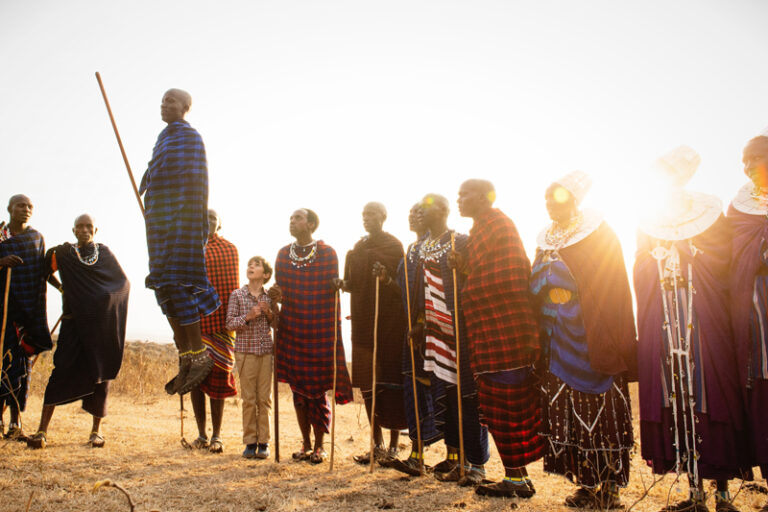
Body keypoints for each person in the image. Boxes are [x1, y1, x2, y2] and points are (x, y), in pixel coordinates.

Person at [636, 146, 748, 512]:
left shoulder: (710, 212)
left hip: (704, 317)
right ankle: (694, 493)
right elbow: (639, 264)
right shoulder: (649, 217)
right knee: (679, 398)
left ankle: (722, 494)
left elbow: (726, 260)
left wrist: (690, 255)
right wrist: (657, 263)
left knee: (712, 395)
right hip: (665, 320)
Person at [530, 172, 636, 508]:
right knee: (569, 410)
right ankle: (586, 485)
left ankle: (610, 489)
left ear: (575, 200)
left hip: (594, 334)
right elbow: (534, 279)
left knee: (601, 411)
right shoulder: (546, 239)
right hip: (559, 336)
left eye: (556, 196)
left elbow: (609, 282)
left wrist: (566, 282)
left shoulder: (599, 235)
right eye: (546, 197)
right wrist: (547, 281)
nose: (549, 202)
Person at [454, 179, 544, 498]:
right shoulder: (480, 229)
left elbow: (510, 274)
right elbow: (480, 270)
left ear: (485, 197)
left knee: (509, 407)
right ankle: (516, 477)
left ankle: (517, 481)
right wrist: (463, 268)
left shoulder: (499, 224)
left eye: (465, 194)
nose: (459, 199)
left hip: (507, 332)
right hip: (489, 334)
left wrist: (469, 285)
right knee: (496, 407)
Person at [139, 88, 219, 396]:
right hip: (159, 223)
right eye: (161, 100)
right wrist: (144, 184)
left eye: (170, 100)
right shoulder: (164, 137)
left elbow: (194, 182)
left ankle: (199, 354)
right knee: (161, 283)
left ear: (185, 107)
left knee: (178, 281)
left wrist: (180, 216)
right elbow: (155, 167)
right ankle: (186, 356)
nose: (164, 104)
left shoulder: (189, 137)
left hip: (182, 220)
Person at [27, 214, 130, 449]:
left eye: (88, 227)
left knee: (100, 376)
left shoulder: (104, 254)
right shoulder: (63, 254)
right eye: (80, 227)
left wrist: (105, 301)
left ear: (96, 229)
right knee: (60, 369)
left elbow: (123, 284)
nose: (84, 230)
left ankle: (96, 432)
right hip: (73, 323)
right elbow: (44, 272)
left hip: (101, 326)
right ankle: (42, 430)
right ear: (73, 230)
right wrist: (63, 288)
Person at [411, 194, 490, 486]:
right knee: (444, 395)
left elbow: (478, 279)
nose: (421, 213)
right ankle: (456, 459)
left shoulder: (462, 241)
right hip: (434, 333)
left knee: (468, 396)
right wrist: (420, 323)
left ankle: (477, 465)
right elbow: (419, 291)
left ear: (443, 211)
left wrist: (464, 267)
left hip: (461, 329)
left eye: (427, 208)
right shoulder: (421, 249)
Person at [274, 208, 352, 464]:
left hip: (319, 329)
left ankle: (320, 446)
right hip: (293, 328)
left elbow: (332, 289)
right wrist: (276, 297)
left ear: (310, 224)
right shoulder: (284, 255)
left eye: (296, 218)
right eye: (290, 218)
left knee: (317, 391)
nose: (291, 222)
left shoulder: (328, 254)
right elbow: (282, 292)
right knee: (298, 391)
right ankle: (305, 444)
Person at [334, 202, 407, 464]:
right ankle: (377, 444)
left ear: (384, 217)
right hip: (364, 324)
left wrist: (386, 277)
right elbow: (353, 283)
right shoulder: (357, 248)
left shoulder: (394, 246)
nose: (367, 218)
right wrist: (342, 284)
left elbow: (403, 284)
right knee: (368, 387)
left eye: (372, 214)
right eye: (364, 214)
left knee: (392, 383)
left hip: (390, 324)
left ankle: (395, 446)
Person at [388, 203, 445, 476]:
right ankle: (416, 455)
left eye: (419, 212)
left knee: (442, 391)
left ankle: (458, 457)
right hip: (411, 330)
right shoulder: (410, 251)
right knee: (413, 392)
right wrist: (386, 279)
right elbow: (404, 289)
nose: (413, 216)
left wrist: (423, 323)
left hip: (437, 331)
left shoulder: (439, 247)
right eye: (411, 212)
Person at [728, 129, 768, 512]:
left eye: (755, 158)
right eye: (744, 160)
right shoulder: (739, 209)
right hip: (755, 322)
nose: (747, 167)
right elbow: (730, 258)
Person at [0, 194, 52, 439]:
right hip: (2, 313)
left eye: (30, 206)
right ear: (9, 209)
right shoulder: (0, 236)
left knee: (20, 367)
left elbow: (41, 275)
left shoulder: (36, 239)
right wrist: (1, 262)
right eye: (21, 205)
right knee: (1, 365)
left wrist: (65, 289)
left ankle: (15, 422)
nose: (26, 209)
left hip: (26, 315)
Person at [188, 209, 239, 453]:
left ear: (220, 223)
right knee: (195, 379)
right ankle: (201, 434)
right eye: (202, 218)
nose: (207, 222)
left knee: (218, 378)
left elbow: (231, 288)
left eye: (211, 218)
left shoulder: (229, 250)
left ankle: (217, 435)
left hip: (221, 325)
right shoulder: (187, 249)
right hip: (192, 324)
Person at [227, 255, 279, 460]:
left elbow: (277, 326)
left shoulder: (269, 298)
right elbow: (229, 324)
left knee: (264, 399)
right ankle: (250, 442)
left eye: (256, 265)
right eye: (250, 264)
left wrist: (269, 314)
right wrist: (247, 317)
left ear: (265, 274)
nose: (251, 266)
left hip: (266, 352)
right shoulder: (237, 295)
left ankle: (264, 442)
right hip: (245, 352)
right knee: (248, 399)